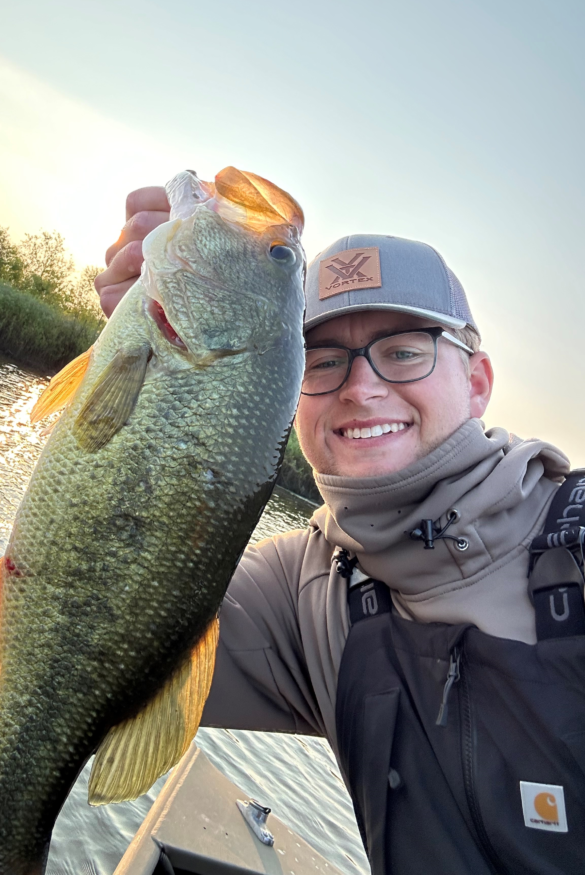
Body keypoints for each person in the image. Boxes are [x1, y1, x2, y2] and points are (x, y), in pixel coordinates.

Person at [95, 186, 585, 875]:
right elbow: (92, 642)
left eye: (405, 350)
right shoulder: (300, 589)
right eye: (323, 360)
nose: (361, 387)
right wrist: (138, 389)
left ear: (477, 382)